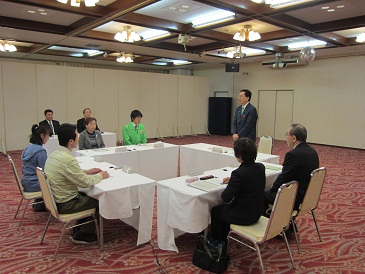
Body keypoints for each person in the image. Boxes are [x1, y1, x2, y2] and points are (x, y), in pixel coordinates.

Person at [44, 123, 109, 244]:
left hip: (56, 200)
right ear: (71, 141)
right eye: (77, 136)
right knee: (101, 201)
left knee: (87, 196)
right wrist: (101, 175)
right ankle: (85, 233)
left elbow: (66, 172)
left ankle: (79, 228)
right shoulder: (68, 160)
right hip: (66, 203)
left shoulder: (54, 155)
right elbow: (85, 183)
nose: (78, 138)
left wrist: (86, 171)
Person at [208, 138, 266, 245]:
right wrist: (234, 181)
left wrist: (232, 183)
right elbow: (250, 179)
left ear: (239, 155)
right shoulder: (260, 167)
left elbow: (226, 197)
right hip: (257, 212)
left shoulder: (238, 173)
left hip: (244, 216)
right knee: (224, 210)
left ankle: (217, 241)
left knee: (216, 211)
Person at [264, 123, 319, 211]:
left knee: (260, 194)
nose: (286, 137)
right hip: (308, 196)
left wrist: (271, 190)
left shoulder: (293, 154)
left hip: (294, 197)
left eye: (287, 134)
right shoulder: (313, 151)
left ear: (294, 138)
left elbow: (284, 177)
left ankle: (271, 221)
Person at [21, 124, 51, 212]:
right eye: (47, 136)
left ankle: (40, 203)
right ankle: (54, 207)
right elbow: (45, 171)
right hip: (35, 183)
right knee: (58, 181)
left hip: (26, 181)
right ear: (42, 136)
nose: (48, 138)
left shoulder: (28, 147)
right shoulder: (40, 151)